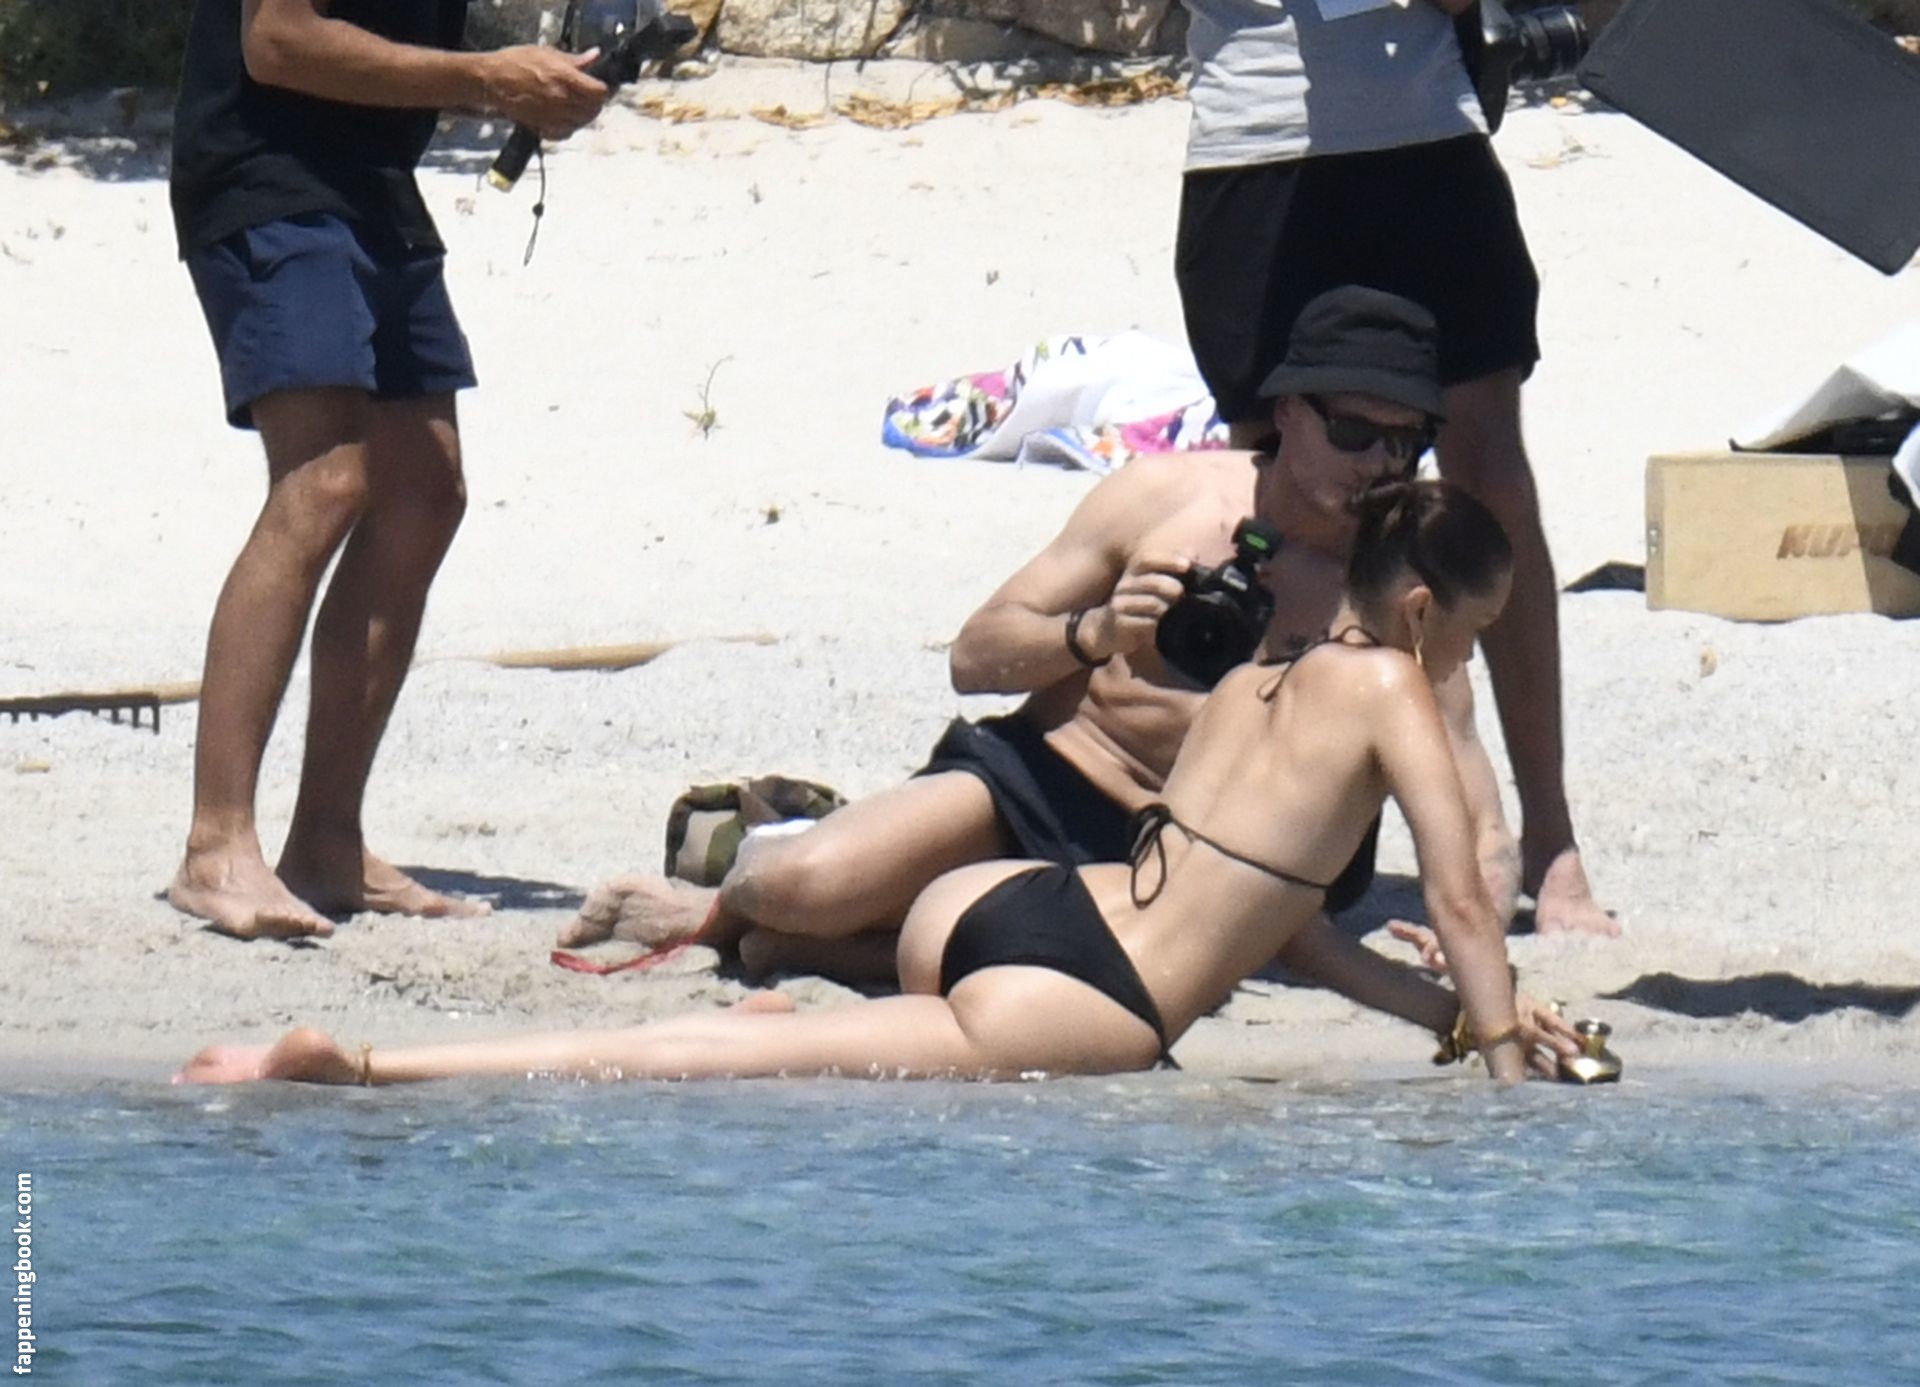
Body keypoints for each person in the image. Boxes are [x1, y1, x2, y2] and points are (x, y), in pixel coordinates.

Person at [178, 480, 1582, 1088]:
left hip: (1004, 905)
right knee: (701, 1067)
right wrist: (1513, 1076)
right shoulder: (1395, 690)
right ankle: (372, 1067)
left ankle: (794, 986)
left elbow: (1288, 927)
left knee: (826, 1053)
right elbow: (1463, 896)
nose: (1465, 658)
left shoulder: (1253, 686)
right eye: (1470, 632)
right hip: (1087, 995)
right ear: (1422, 613)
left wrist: (1458, 1021)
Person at [560, 287, 1520, 992]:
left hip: (1232, 865)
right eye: (1356, 433)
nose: (1381, 464)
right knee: (797, 879)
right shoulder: (1169, 498)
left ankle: (825, 948)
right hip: (1051, 779)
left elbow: (1473, 793)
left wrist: (1472, 923)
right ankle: (733, 916)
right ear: (1292, 414)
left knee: (1096, 962)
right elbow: (974, 656)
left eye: (1407, 442)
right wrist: (1094, 631)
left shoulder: (1399, 574)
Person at [165, 0, 610, 939]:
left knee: (424, 490)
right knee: (324, 480)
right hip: (266, 174)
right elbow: (276, 42)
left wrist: (533, 86)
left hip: (373, 181)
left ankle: (326, 842)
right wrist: (488, 79)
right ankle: (215, 846)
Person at [1173, 0, 1617, 936]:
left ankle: (1548, 833)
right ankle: (1266, 817)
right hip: (1254, 138)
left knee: (1489, 482)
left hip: (1422, 131)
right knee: (1282, 492)